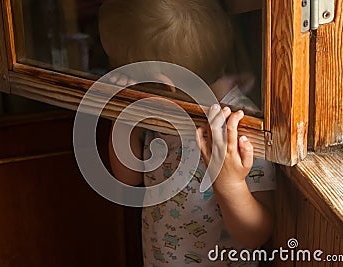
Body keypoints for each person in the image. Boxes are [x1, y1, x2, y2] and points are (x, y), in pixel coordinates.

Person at [99, 0, 276, 266]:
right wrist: (125, 117)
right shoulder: (158, 112)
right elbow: (128, 176)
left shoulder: (238, 128)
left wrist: (230, 183)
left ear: (162, 84)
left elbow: (256, 235)